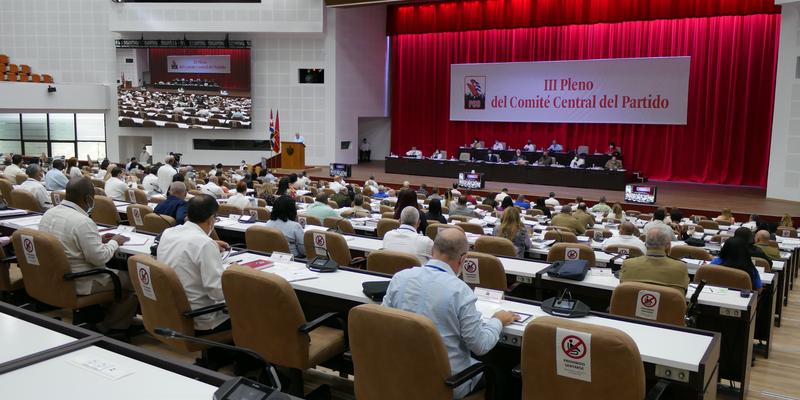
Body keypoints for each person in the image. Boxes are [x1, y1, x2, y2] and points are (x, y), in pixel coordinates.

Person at [382, 228, 517, 399]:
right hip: (447, 384)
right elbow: (480, 346)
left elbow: (383, 318)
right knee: (502, 376)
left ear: (432, 251)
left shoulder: (399, 278)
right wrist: (497, 321)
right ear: (463, 259)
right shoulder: (460, 291)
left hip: (402, 374)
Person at [40, 177, 136, 333]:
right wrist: (115, 241)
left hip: (57, 276)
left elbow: (70, 242)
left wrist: (97, 239)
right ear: (88, 198)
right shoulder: (82, 221)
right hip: (83, 280)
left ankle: (106, 314)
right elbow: (99, 258)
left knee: (120, 276)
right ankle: (111, 326)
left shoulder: (49, 213)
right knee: (134, 281)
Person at [157, 194, 231, 333]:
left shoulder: (168, 232)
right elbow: (217, 292)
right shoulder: (204, 244)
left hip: (174, 309)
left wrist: (211, 244)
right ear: (211, 219)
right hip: (202, 317)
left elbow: (188, 246)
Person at [619, 228, 689, 292]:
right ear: (668, 245)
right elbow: (683, 292)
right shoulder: (681, 267)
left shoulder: (628, 264)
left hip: (631, 305)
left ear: (645, 244)